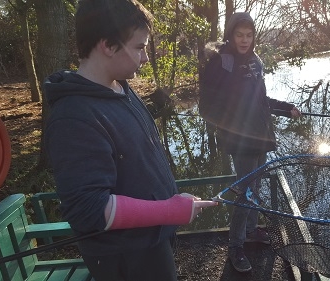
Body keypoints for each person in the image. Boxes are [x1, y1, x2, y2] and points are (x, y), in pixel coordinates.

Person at [43, 1, 217, 280]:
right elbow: (90, 210)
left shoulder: (120, 87)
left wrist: (170, 207)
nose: (146, 57)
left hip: (153, 240)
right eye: (139, 47)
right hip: (126, 258)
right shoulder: (73, 118)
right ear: (108, 46)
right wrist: (168, 210)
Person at [198, 12, 301, 273]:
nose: (244, 40)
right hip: (241, 140)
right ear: (230, 35)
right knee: (245, 192)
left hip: (261, 136)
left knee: (254, 188)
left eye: (249, 35)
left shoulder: (255, 61)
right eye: (239, 35)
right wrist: (233, 122)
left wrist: (286, 108)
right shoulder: (221, 62)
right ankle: (235, 245)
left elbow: (261, 100)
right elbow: (206, 107)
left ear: (254, 36)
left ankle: (252, 231)